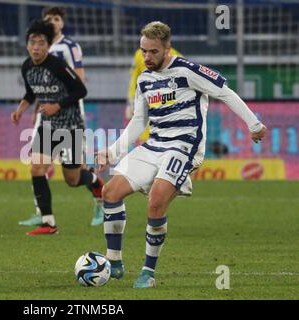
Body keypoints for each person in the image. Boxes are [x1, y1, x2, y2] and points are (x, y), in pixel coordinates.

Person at [96, 21, 267, 288]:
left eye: (152, 52)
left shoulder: (189, 71)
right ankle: (114, 261)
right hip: (154, 145)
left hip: (184, 146)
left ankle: (148, 272)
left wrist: (254, 124)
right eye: (143, 51)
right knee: (110, 192)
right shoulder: (144, 79)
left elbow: (226, 92)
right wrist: (113, 150)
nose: (147, 57)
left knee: (155, 202)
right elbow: (139, 122)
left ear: (166, 48)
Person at [11, 19, 103, 235]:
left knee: (72, 179)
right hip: (48, 126)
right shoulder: (26, 67)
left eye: (41, 43)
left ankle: (95, 181)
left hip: (70, 126)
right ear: (27, 45)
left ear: (48, 46)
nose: (36, 47)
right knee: (36, 168)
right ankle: (48, 223)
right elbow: (31, 93)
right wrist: (21, 109)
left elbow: (81, 91)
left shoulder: (57, 65)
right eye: (32, 43)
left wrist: (57, 105)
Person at [125, 46, 183, 143]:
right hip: (147, 104)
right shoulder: (139, 54)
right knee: (145, 141)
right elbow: (134, 79)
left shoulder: (177, 57)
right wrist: (130, 102)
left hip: (169, 107)